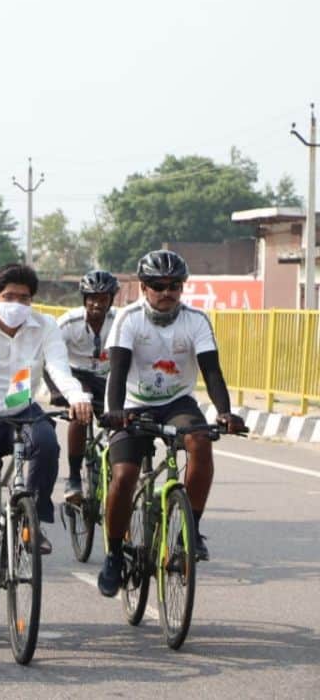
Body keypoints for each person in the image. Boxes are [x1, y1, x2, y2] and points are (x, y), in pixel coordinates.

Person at [0, 263, 93, 629]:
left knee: (47, 443)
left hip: (22, 409)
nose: (16, 304)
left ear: (33, 301)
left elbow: (59, 368)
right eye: (9, 297)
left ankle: (34, 519)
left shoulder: (45, 326)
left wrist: (77, 398)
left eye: (24, 298)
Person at [96, 250, 246, 596]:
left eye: (174, 285)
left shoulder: (195, 320)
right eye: (157, 285)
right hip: (132, 403)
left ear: (182, 287)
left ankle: (189, 532)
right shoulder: (128, 319)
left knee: (200, 442)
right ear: (144, 287)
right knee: (124, 475)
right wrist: (115, 413)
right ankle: (114, 554)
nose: (166, 292)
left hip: (177, 402)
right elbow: (117, 373)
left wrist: (224, 412)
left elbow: (211, 371)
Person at [44, 270, 119, 503]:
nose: (97, 304)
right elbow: (48, 356)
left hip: (108, 377)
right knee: (80, 414)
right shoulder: (68, 322)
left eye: (103, 298)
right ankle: (74, 477)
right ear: (84, 299)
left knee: (120, 421)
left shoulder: (121, 321)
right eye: (91, 298)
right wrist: (57, 392)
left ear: (111, 300)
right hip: (77, 375)